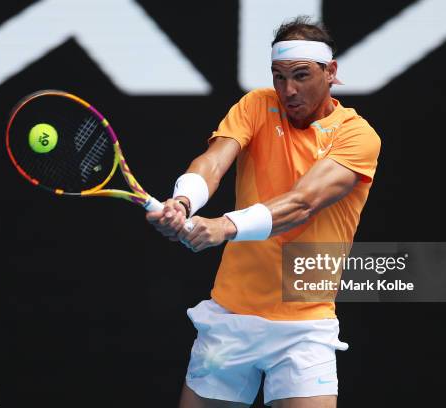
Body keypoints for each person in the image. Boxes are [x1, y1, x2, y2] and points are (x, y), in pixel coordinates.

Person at [147, 15, 381, 408]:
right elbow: (214, 161)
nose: (288, 90)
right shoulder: (257, 105)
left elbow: (302, 202)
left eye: (302, 75)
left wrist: (225, 226)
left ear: (331, 73)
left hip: (305, 326)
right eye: (279, 76)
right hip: (230, 319)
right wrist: (184, 200)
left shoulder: (357, 136)